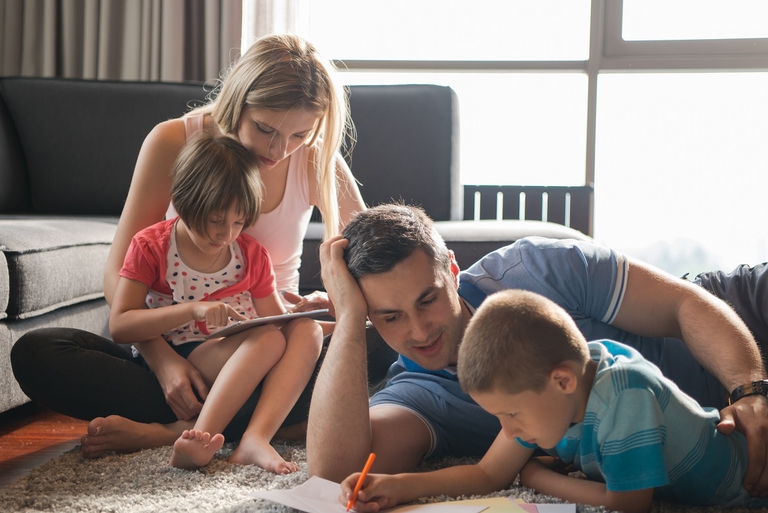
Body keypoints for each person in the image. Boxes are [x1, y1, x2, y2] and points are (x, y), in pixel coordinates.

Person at [10, 33, 366, 458]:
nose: (278, 150)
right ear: (237, 101)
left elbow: (371, 256)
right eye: (265, 128)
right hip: (175, 348)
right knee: (38, 353)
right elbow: (119, 276)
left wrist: (332, 305)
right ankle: (261, 423)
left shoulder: (316, 158)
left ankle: (167, 430)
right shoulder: (173, 142)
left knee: (370, 343)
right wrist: (164, 363)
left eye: (298, 135)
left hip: (272, 349)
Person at [307, 203, 768, 499]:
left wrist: (748, 387)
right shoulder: (418, 394)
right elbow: (334, 473)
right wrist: (348, 320)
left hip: (742, 319)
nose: (420, 329)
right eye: (389, 316)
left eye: (427, 299)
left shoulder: (536, 268)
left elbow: (684, 303)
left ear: (451, 269)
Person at [338, 289, 768, 512]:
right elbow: (488, 473)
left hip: (748, 480)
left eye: (510, 414)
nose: (506, 429)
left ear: (561, 380)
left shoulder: (624, 393)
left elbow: (629, 504)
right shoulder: (550, 389)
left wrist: (535, 478)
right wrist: (395, 486)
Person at [111, 133, 323, 472]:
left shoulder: (251, 254)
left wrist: (333, 318)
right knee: (268, 338)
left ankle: (255, 438)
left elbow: (277, 320)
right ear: (184, 201)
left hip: (242, 354)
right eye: (216, 220)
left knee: (306, 331)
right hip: (185, 355)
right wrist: (193, 310)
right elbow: (120, 325)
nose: (226, 234)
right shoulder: (152, 246)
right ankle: (196, 436)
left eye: (238, 222)